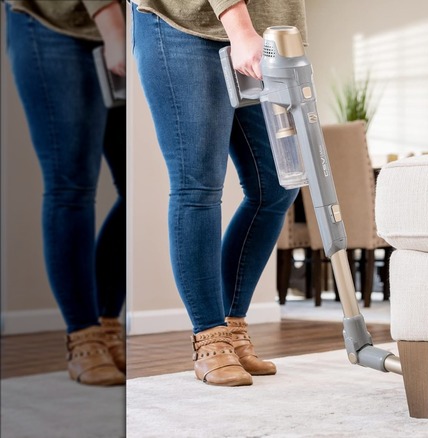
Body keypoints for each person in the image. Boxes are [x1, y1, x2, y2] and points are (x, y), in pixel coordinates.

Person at [131, 0, 306, 386]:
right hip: (185, 23)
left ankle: (232, 326)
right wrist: (240, 28)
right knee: (198, 184)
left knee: (277, 185)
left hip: (263, 37)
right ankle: (210, 337)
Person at [4, 0, 127, 386]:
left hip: (125, 23)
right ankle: (84, 336)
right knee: (70, 186)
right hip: (52, 21)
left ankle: (107, 324)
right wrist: (112, 26)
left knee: (135, 189)